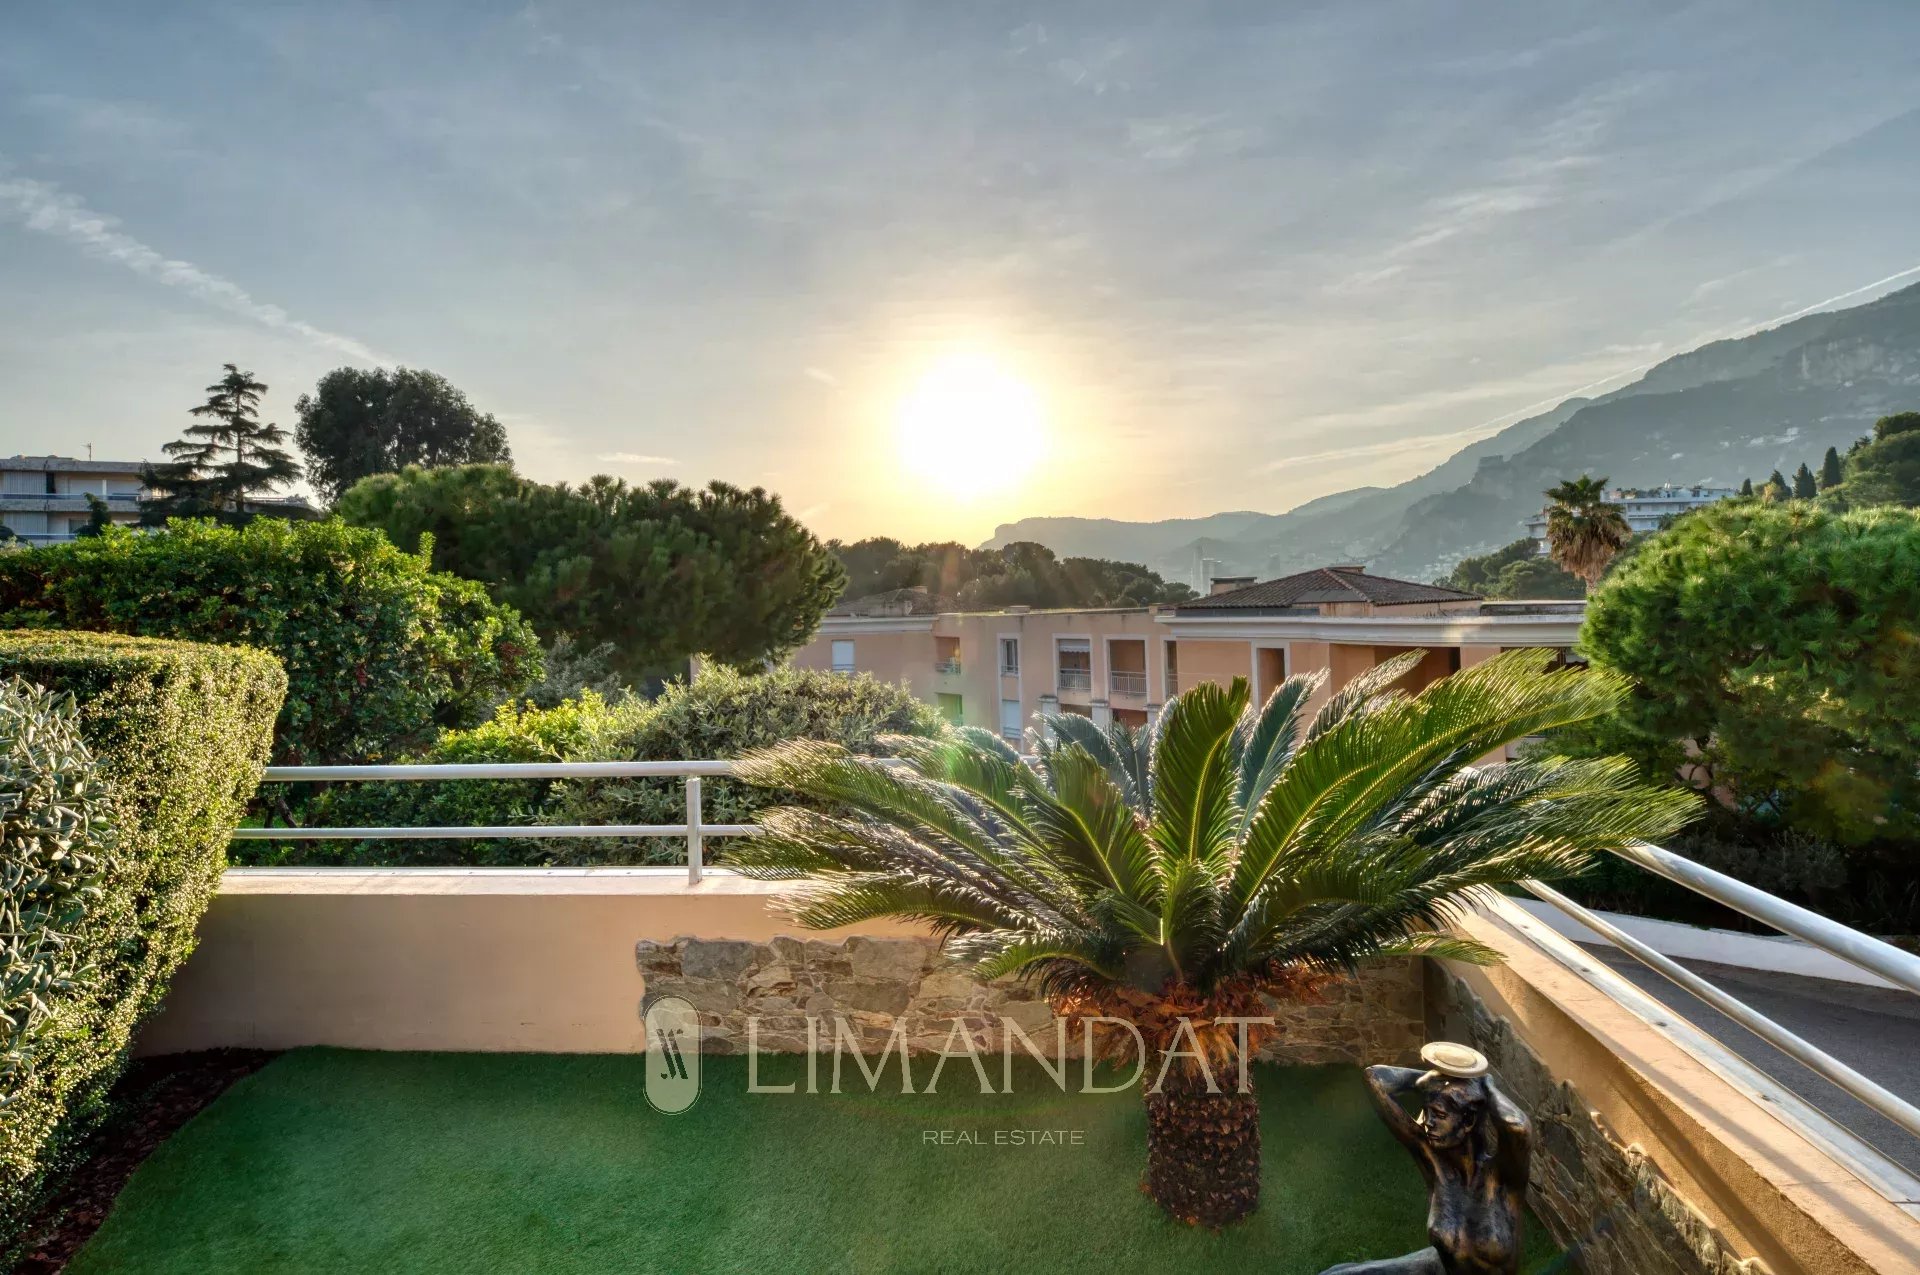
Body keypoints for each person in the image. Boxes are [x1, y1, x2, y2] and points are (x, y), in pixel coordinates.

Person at [1319, 1043, 1531, 1275]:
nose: (1428, 1122)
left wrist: (1484, 1085)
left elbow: (1517, 1127)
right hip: (1441, 1268)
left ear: (1468, 1121)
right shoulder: (1433, 1161)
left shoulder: (1502, 1176)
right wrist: (1440, 1077)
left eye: (1439, 1115)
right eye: (1427, 1112)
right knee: (1336, 1274)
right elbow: (1374, 1079)